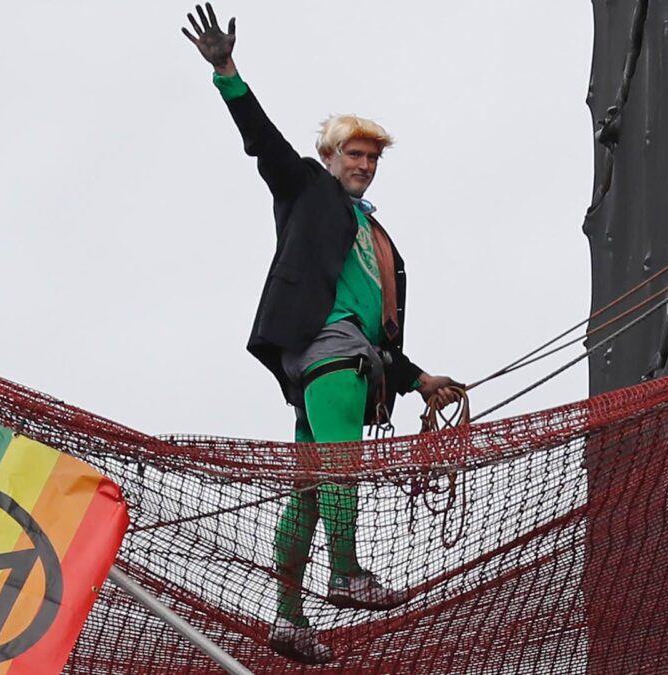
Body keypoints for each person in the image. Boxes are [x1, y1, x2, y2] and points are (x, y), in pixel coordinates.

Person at [182, 3, 462, 664]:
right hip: (327, 353)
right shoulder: (307, 189)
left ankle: (287, 619)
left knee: (308, 489)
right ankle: (345, 572)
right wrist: (228, 71)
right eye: (354, 153)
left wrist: (420, 379)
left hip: (354, 357)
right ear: (329, 156)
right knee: (341, 465)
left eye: (370, 156)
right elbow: (264, 143)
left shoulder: (376, 238)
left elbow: (380, 333)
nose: (363, 163)